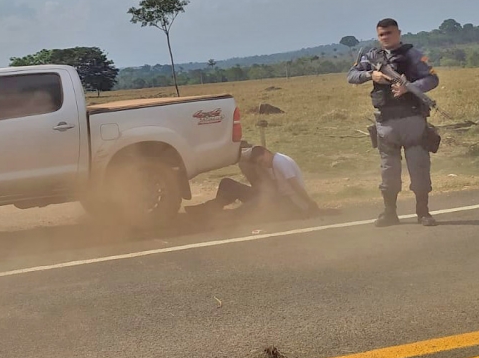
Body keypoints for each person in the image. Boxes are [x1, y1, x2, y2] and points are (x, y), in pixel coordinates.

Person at [347, 18, 440, 227]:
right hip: (387, 122)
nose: (385, 37)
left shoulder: (413, 55)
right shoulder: (371, 57)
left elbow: (433, 79)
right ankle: (390, 213)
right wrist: (372, 75)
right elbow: (351, 76)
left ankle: (423, 212)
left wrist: (409, 87)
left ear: (398, 33)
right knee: (389, 172)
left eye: (389, 33)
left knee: (419, 168)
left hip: (413, 119)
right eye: (381, 34)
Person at [186, 144, 318, 219]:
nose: (263, 164)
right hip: (274, 198)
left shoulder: (280, 162)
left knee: (244, 211)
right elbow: (245, 156)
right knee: (227, 183)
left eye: (262, 160)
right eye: (260, 163)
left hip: (286, 203)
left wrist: (309, 203)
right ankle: (209, 209)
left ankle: (216, 217)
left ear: (267, 152)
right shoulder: (272, 164)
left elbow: (295, 185)